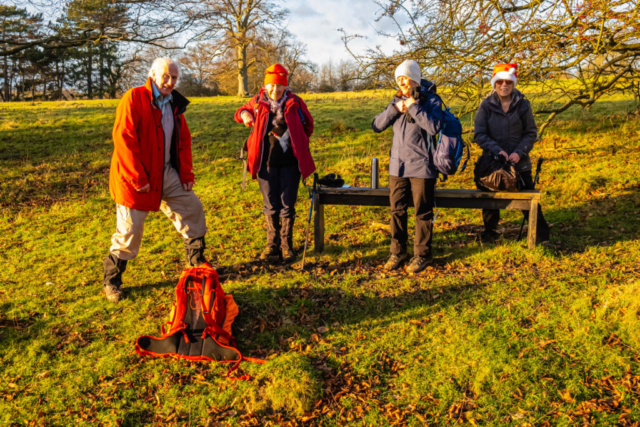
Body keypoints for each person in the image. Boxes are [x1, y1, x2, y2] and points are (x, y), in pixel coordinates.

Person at [102, 57, 208, 303]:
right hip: (134, 177)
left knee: (192, 209)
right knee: (129, 232)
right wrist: (138, 177)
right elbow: (123, 140)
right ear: (152, 74)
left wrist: (186, 174)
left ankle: (197, 264)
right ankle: (112, 280)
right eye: (166, 76)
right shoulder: (134, 97)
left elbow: (183, 141)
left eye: (174, 78)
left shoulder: (174, 104)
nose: (170, 82)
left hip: (167, 173)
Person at [234, 64, 315, 263]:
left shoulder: (295, 102)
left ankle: (287, 246)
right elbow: (239, 112)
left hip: (290, 163)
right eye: (271, 85)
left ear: (285, 87)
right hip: (265, 163)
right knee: (270, 204)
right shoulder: (257, 101)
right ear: (265, 85)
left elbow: (309, 125)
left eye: (279, 86)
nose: (275, 90)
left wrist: (298, 140)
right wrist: (245, 115)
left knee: (287, 204)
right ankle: (272, 245)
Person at [372, 59, 444, 273]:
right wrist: (396, 108)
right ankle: (397, 252)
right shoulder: (395, 101)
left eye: (406, 77)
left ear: (416, 78)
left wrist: (413, 106)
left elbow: (433, 127)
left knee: (422, 212)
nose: (402, 82)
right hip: (397, 167)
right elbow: (376, 125)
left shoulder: (431, 100)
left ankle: (422, 255)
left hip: (422, 166)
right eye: (399, 78)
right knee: (396, 211)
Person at [474, 63, 550, 242]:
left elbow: (531, 133)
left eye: (508, 82)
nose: (504, 85)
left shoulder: (523, 105)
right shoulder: (485, 105)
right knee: (490, 201)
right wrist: (496, 150)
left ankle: (542, 238)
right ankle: (490, 234)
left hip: (520, 164)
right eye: (499, 81)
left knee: (529, 200)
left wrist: (519, 152)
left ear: (513, 83)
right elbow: (479, 134)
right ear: (494, 83)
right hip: (492, 164)